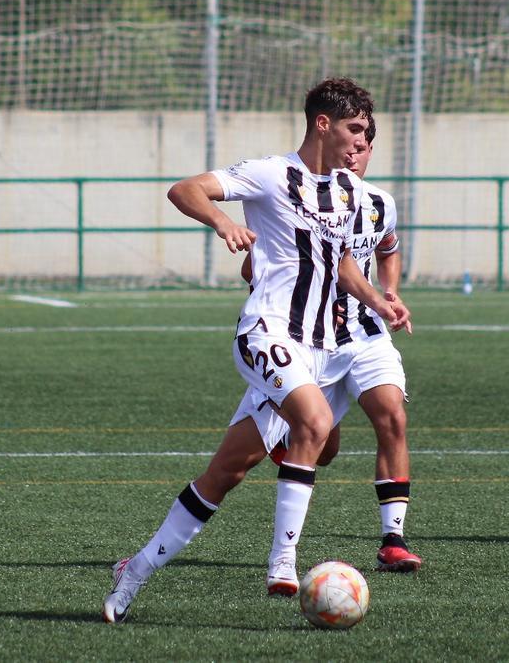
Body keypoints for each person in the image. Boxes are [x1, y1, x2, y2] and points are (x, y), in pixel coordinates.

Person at [102, 78, 410, 624]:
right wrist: (224, 223)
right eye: (354, 129)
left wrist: (380, 300)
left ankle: (137, 569)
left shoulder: (345, 194)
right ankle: (283, 563)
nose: (361, 142)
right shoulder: (272, 174)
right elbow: (184, 188)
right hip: (267, 332)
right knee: (314, 422)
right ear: (323, 123)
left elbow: (338, 264)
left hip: (322, 346)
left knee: (227, 472)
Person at [244, 116, 421, 572]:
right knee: (325, 447)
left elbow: (389, 247)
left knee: (392, 414)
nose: (357, 152)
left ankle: (393, 539)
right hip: (311, 337)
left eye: (366, 146)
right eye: (353, 142)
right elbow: (253, 268)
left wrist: (390, 291)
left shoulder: (380, 203)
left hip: (364, 334)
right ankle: (295, 440)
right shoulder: (303, 200)